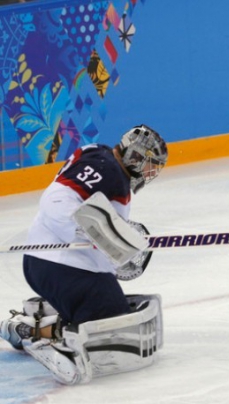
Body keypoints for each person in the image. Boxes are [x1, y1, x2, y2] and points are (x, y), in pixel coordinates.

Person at [0, 124, 168, 384]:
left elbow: (94, 221)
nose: (149, 173)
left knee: (108, 318)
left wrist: (112, 249)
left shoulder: (98, 156)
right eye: (149, 164)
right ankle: (45, 344)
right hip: (64, 266)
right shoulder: (108, 169)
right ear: (134, 157)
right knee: (111, 331)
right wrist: (87, 234)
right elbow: (56, 199)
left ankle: (28, 328)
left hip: (49, 264)